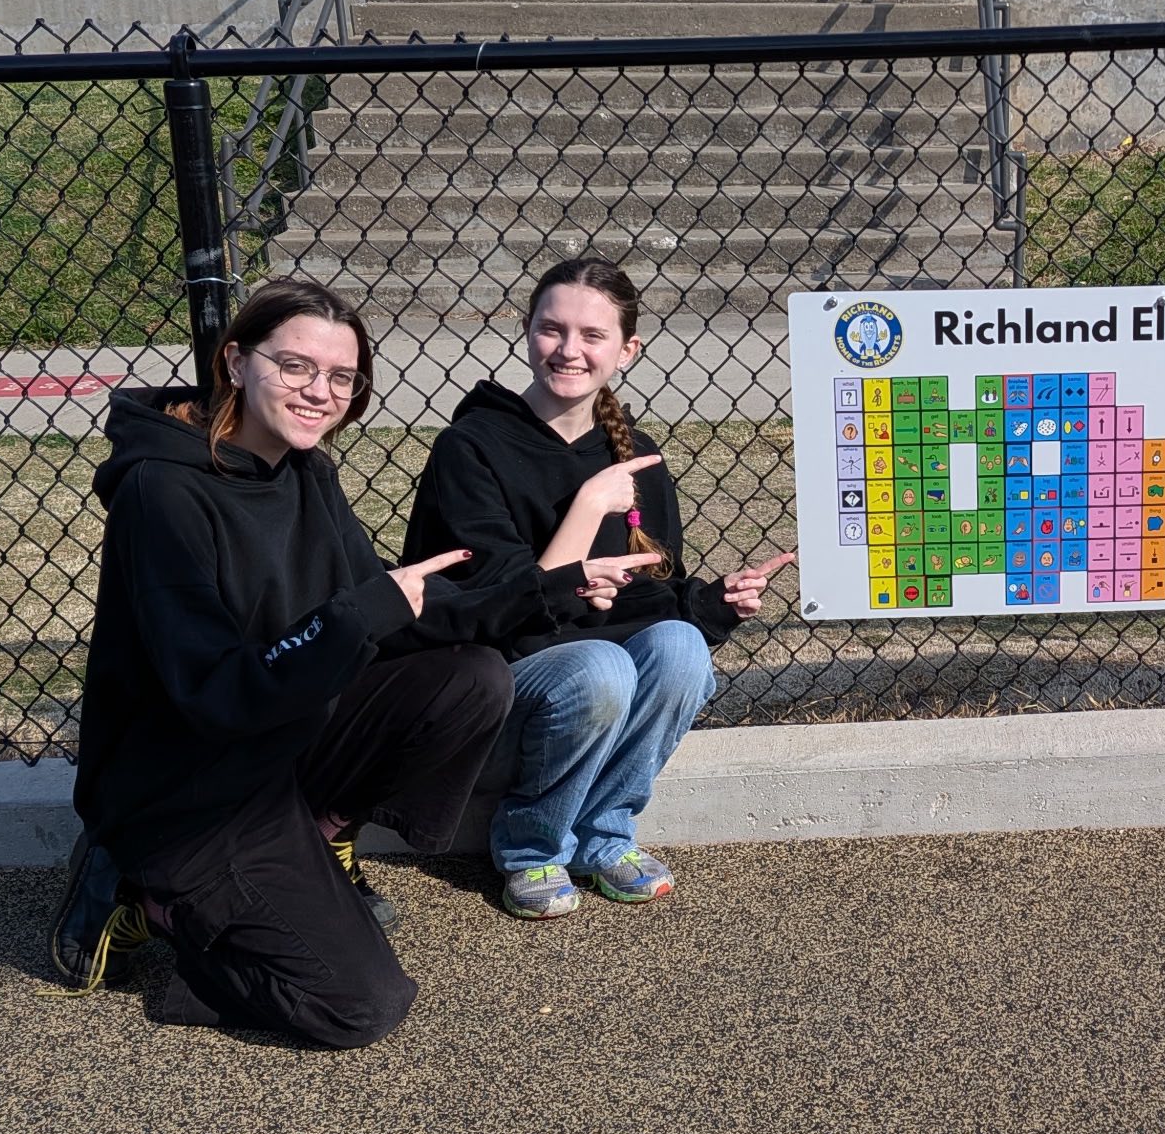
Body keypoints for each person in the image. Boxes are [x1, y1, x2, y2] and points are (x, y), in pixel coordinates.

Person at [48, 280, 647, 1048]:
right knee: (359, 1006)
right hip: (189, 791)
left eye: (340, 377)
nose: (318, 392)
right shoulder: (160, 495)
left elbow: (392, 614)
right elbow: (219, 692)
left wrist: (550, 586)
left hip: (278, 753)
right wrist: (354, 617)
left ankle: (321, 831)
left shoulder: (305, 472)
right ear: (235, 359)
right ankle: (146, 897)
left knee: (471, 676)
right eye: (295, 366)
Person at [404, 258, 795, 921]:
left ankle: (603, 835)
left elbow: (650, 597)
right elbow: (501, 616)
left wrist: (714, 604)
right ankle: (530, 846)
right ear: (527, 331)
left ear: (627, 349)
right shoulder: (470, 448)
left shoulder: (632, 453)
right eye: (552, 329)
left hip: (595, 708)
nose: (569, 350)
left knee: (677, 648)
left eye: (592, 335)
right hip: (496, 695)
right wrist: (587, 509)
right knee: (600, 665)